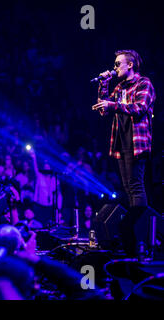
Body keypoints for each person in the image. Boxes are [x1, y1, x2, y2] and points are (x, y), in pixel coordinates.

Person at [92, 50, 155, 256]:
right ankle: (132, 243)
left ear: (131, 65)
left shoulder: (144, 84)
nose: (115, 67)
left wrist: (114, 105)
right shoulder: (118, 87)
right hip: (121, 143)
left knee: (136, 186)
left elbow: (139, 108)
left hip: (138, 143)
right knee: (128, 188)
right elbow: (104, 109)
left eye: (119, 64)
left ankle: (131, 228)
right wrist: (104, 83)